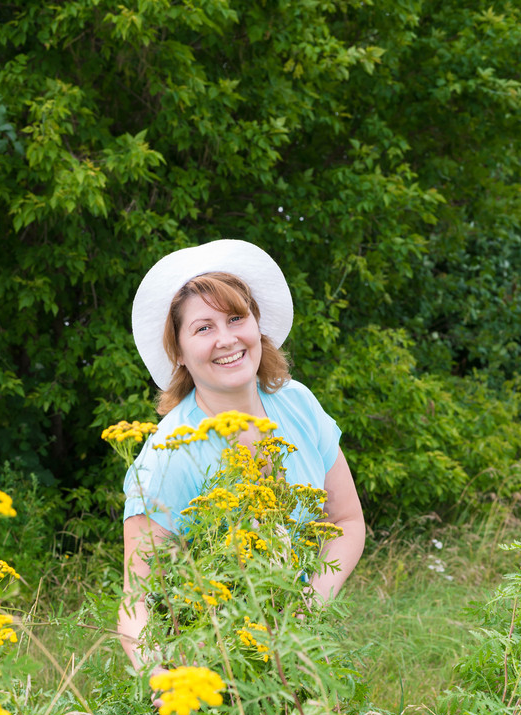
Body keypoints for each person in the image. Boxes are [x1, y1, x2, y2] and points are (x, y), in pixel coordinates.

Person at [118, 238, 365, 672]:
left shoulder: (297, 404)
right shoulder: (168, 456)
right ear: (177, 351)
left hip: (305, 653)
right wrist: (158, 676)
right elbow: (135, 603)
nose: (227, 339)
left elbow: (346, 521)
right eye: (203, 327)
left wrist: (308, 610)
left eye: (236, 318)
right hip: (214, 669)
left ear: (257, 325)